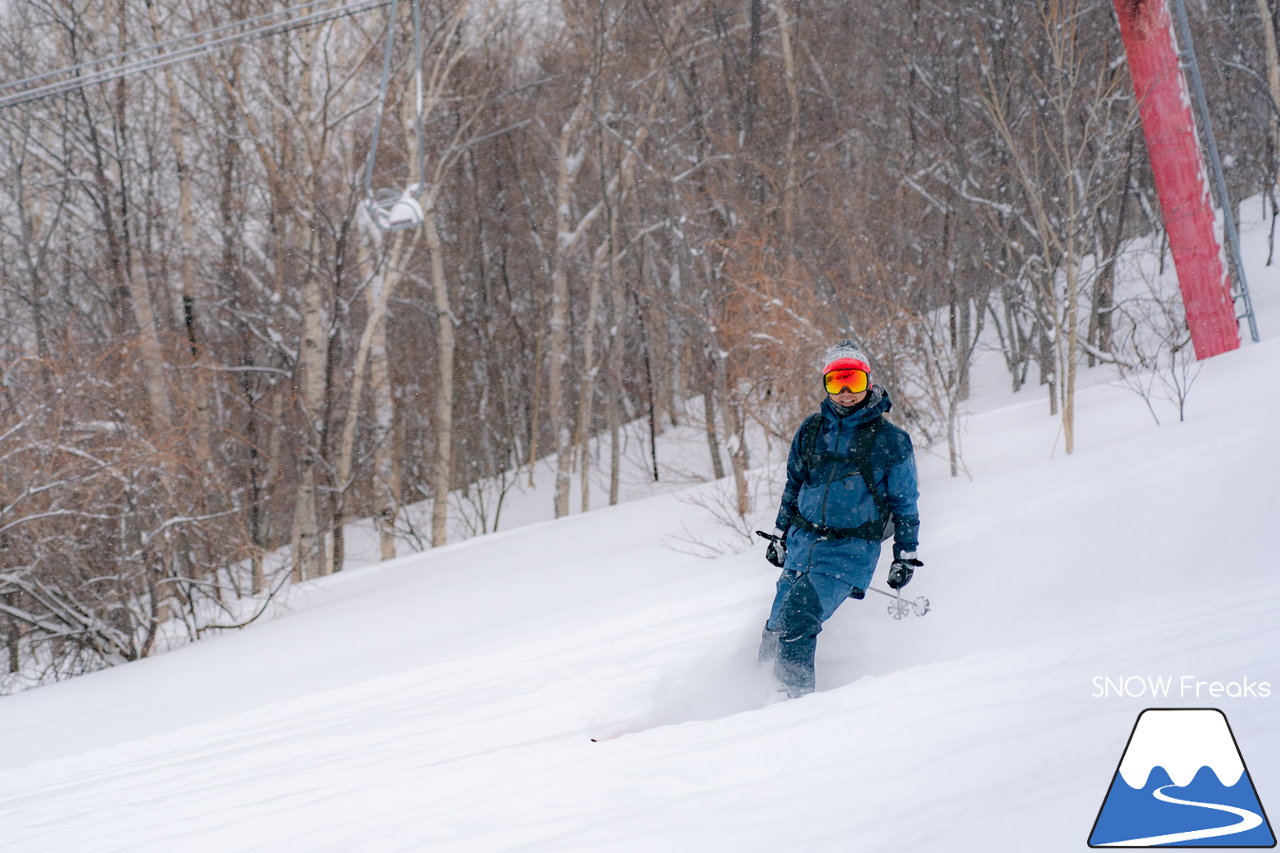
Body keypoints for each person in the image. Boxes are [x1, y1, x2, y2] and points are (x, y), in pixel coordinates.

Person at [758, 340, 922, 697]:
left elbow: (905, 503)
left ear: (868, 382)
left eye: (854, 382)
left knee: (800, 616)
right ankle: (753, 692)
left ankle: (792, 703)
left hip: (850, 550)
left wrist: (905, 556)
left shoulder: (891, 441)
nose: (846, 393)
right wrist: (779, 534)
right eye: (836, 383)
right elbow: (794, 484)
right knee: (776, 622)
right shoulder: (812, 430)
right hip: (804, 543)